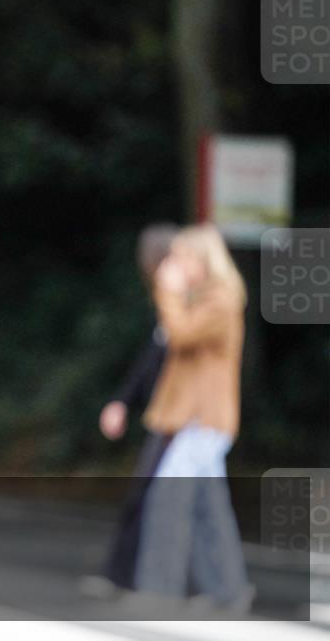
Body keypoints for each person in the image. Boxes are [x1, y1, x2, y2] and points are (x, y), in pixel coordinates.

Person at [134, 224, 252, 612]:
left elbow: (181, 335)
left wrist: (166, 290)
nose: (177, 266)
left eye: (183, 258)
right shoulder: (206, 298)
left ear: (203, 261)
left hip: (205, 420)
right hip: (199, 420)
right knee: (210, 510)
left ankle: (158, 591)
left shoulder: (221, 300)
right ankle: (228, 591)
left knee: (168, 501)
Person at [92, 223, 177, 594]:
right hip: (169, 415)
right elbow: (151, 361)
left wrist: (124, 402)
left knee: (168, 498)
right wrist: (123, 402)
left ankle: (136, 577)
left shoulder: (188, 303)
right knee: (162, 496)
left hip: (184, 417)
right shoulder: (171, 302)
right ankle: (124, 574)